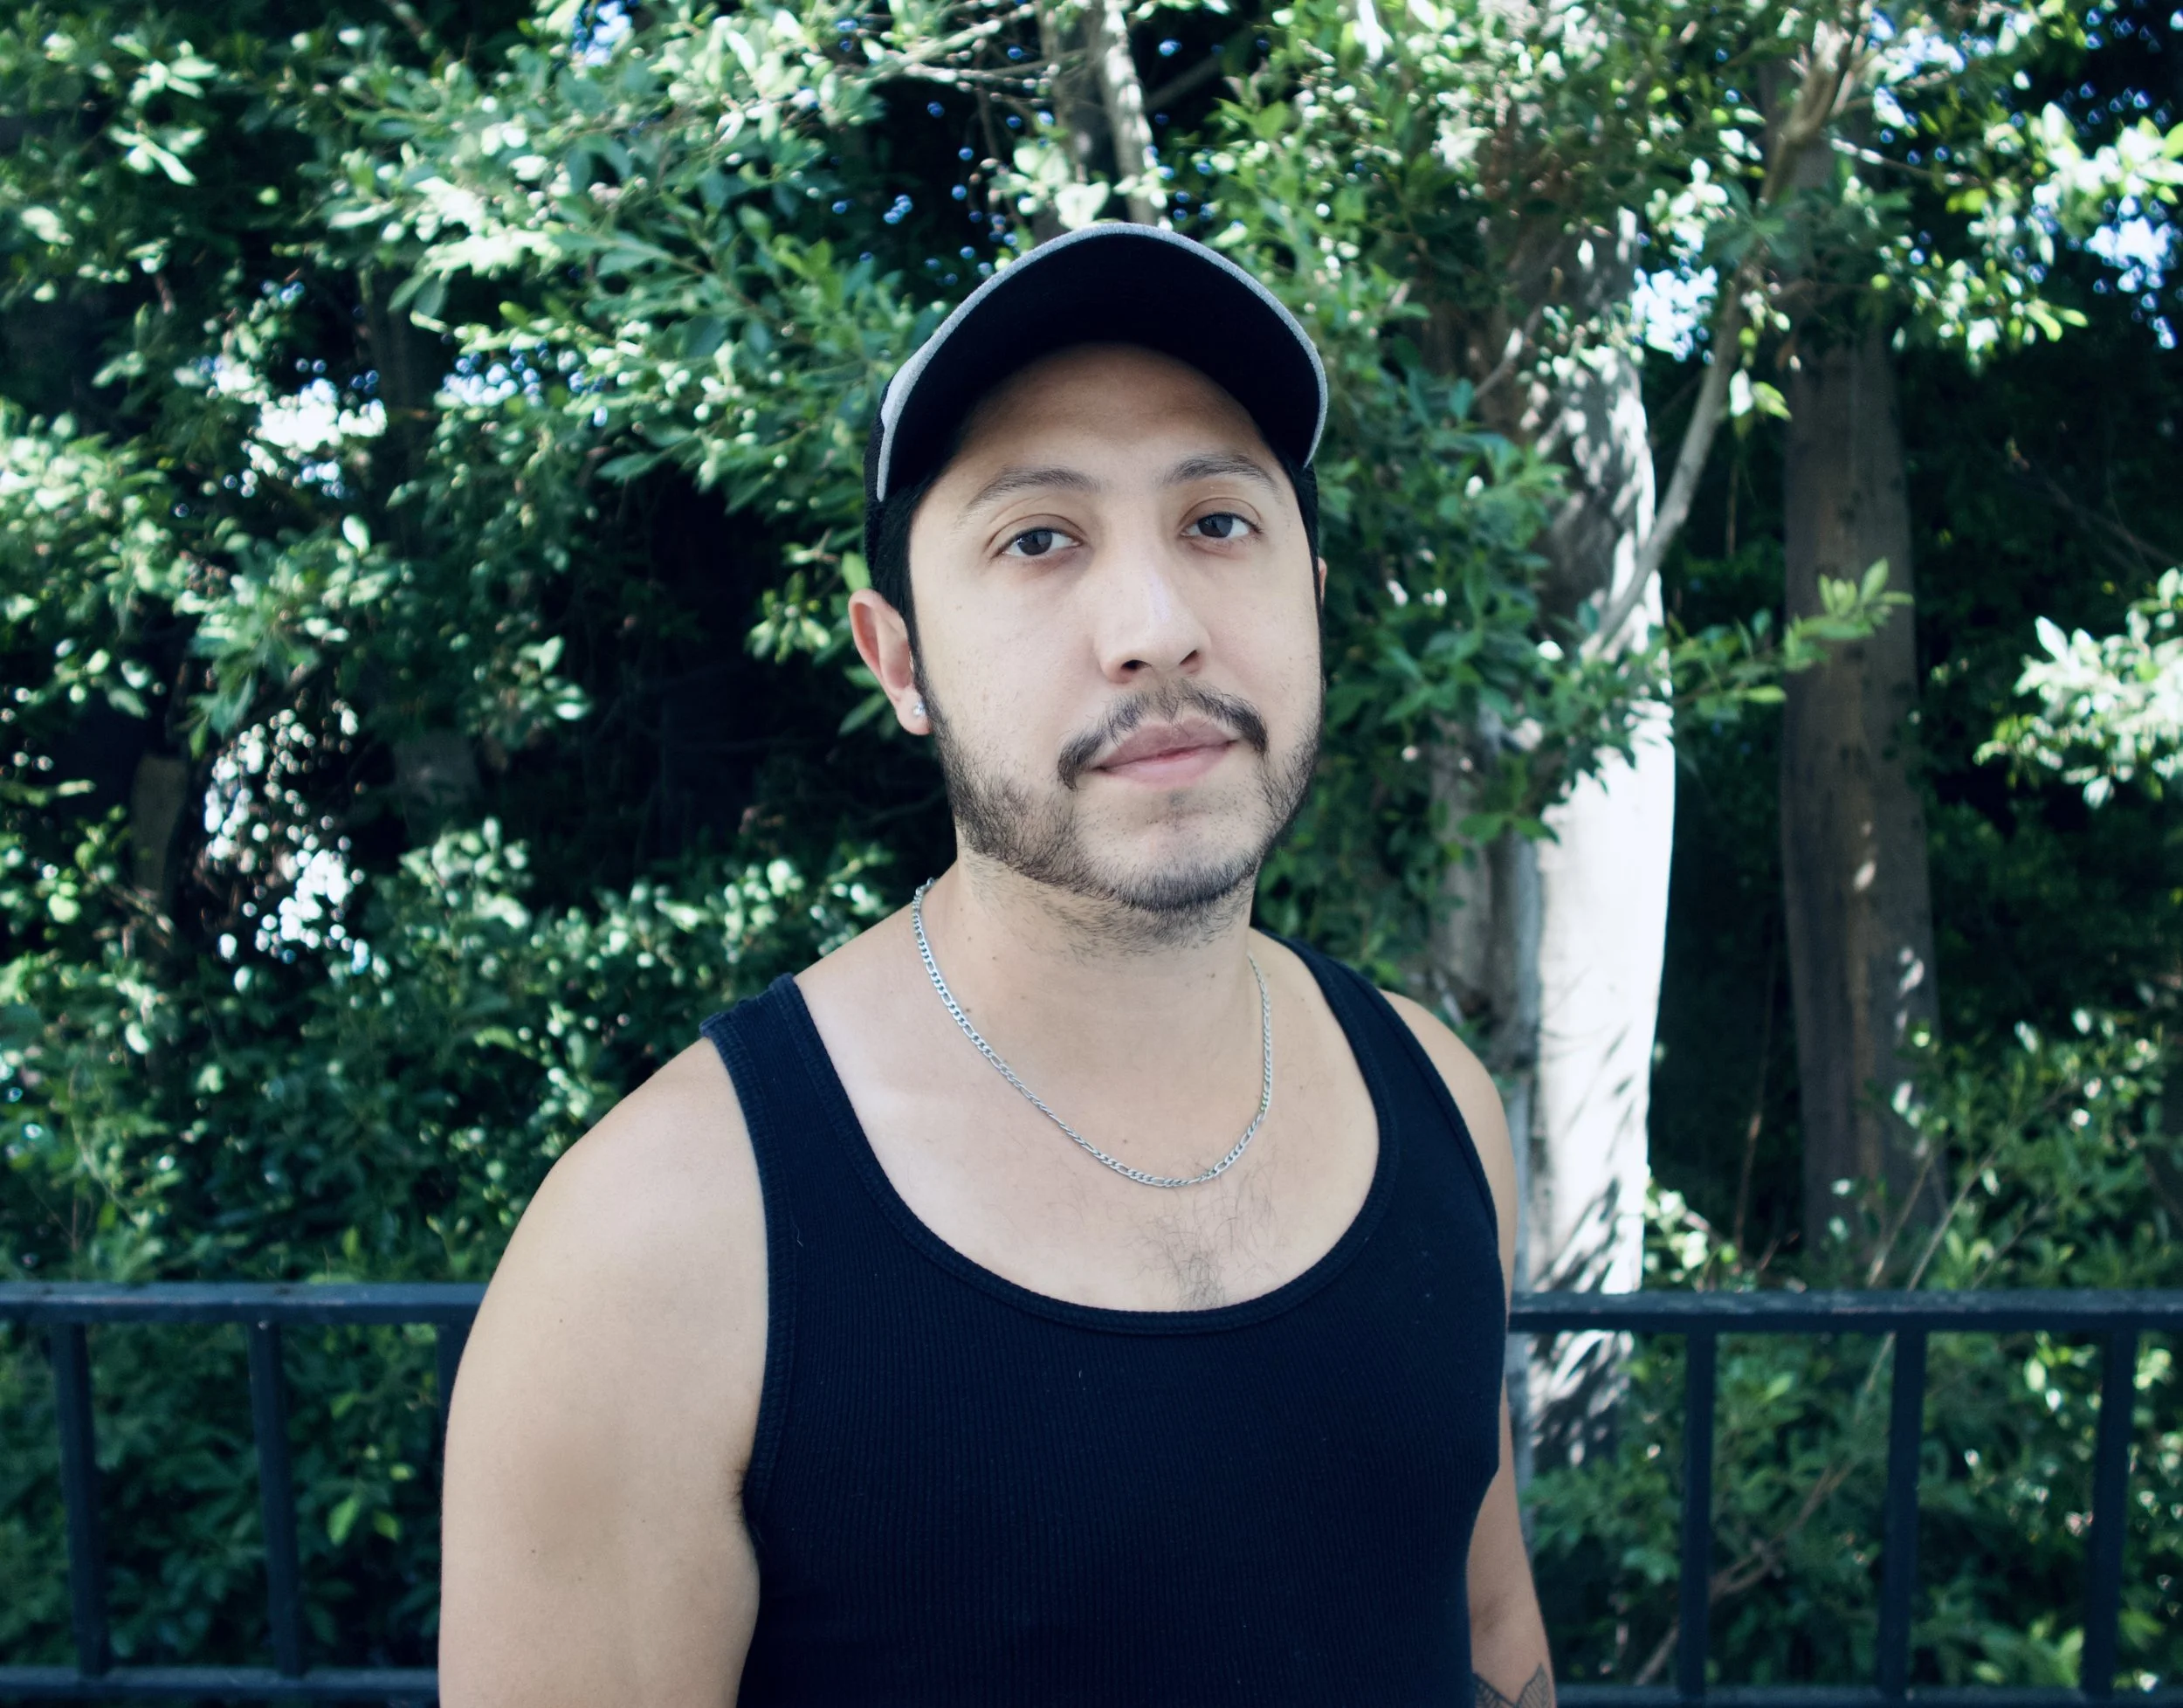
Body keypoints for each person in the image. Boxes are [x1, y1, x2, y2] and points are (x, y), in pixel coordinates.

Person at [439, 224, 1554, 1707]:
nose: (1155, 629)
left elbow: (1497, 1650)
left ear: (1313, 589)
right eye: (1039, 540)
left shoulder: (1441, 1106)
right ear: (897, 659)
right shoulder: (655, 1254)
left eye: (1220, 522)